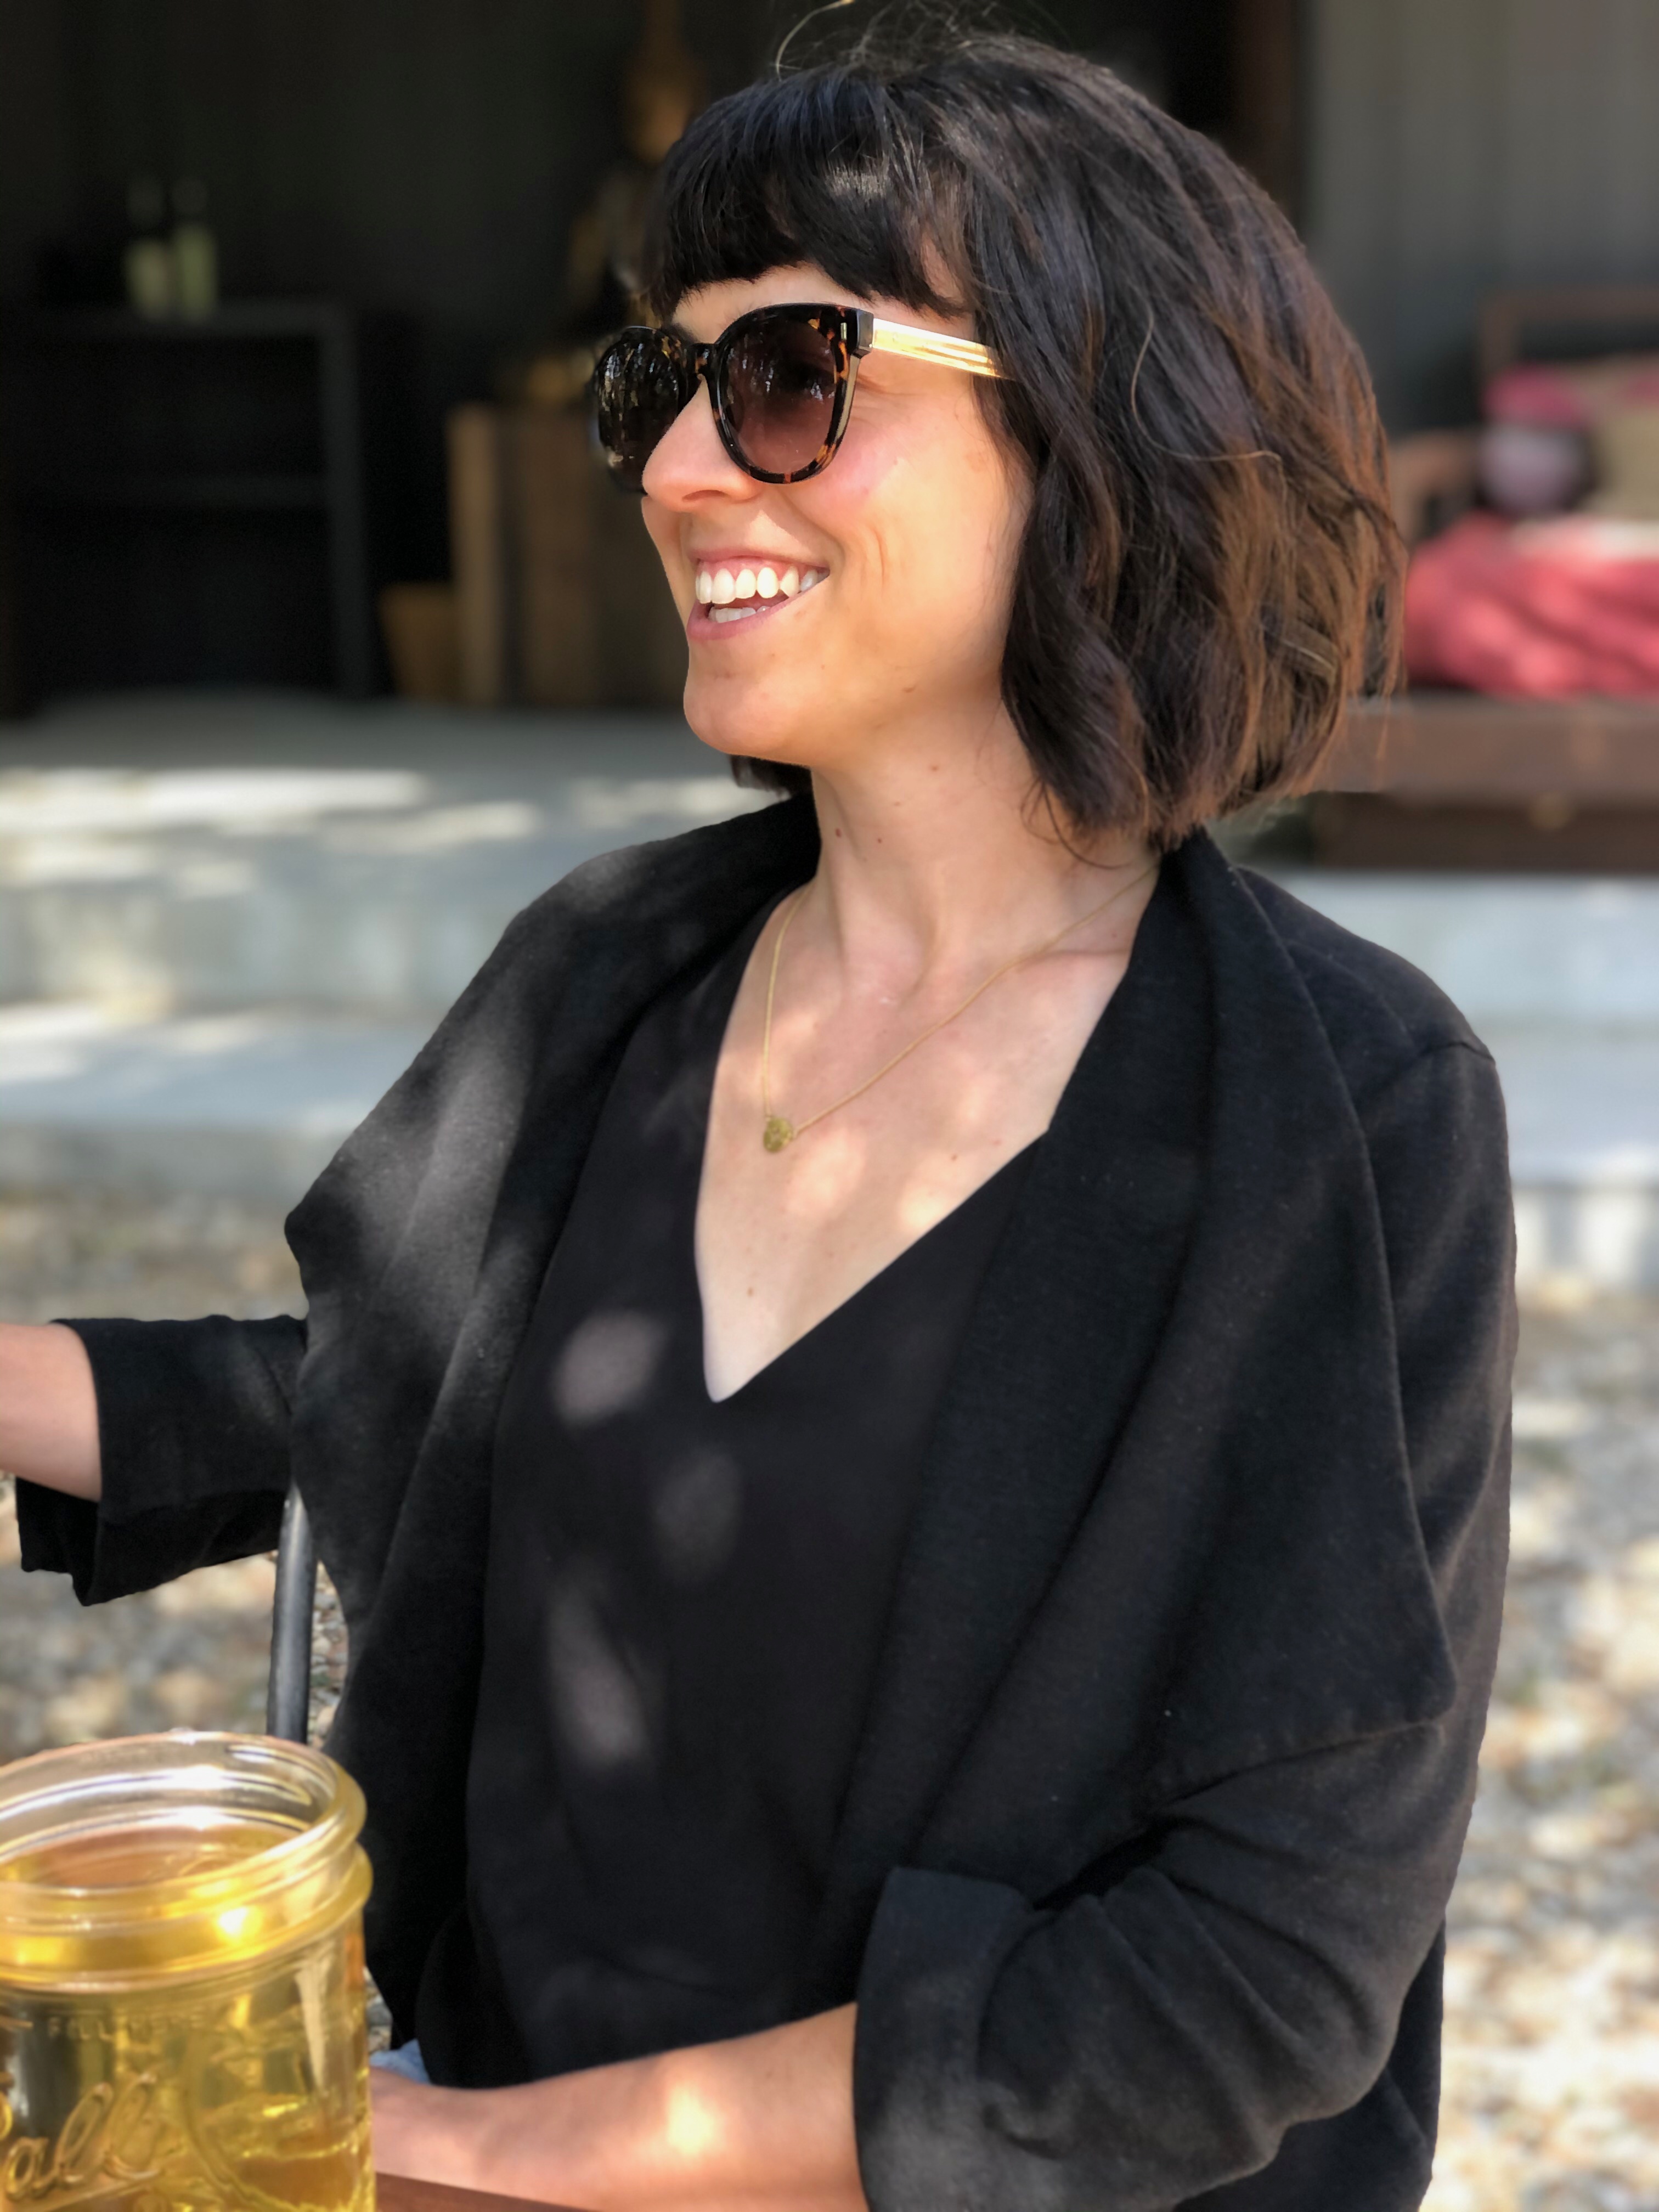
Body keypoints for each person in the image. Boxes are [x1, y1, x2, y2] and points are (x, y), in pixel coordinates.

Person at [1, 30, 1515, 2212]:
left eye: (792, 375)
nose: (682, 469)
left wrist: (439, 2154)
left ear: (1106, 428)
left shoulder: (1345, 1114)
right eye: (658, 386)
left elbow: (1242, 1981)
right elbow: (401, 1406)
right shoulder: (609, 973)